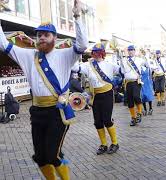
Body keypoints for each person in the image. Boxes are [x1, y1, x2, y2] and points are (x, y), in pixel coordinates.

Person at [0, 0, 88, 179]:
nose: (41, 38)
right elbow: (3, 44)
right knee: (40, 158)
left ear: (54, 38)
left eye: (46, 35)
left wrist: (77, 17)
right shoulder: (28, 55)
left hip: (57, 112)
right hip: (37, 112)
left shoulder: (65, 54)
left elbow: (82, 45)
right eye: (39, 35)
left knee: (52, 156)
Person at [72, 43, 120, 155]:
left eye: (99, 52)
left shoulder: (110, 65)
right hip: (96, 96)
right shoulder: (88, 65)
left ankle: (115, 143)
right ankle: (103, 144)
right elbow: (75, 68)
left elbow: (123, 71)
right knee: (98, 122)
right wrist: (75, 53)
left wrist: (122, 58)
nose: (97, 55)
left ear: (102, 53)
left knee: (107, 120)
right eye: (95, 52)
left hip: (107, 94)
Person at [120, 45, 148, 126]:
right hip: (128, 82)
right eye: (129, 50)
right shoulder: (124, 60)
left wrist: (144, 54)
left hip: (136, 81)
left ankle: (139, 112)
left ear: (135, 51)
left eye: (132, 50)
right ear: (127, 51)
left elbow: (147, 64)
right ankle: (133, 117)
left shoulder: (139, 59)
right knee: (130, 101)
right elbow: (122, 71)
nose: (130, 51)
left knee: (136, 96)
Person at [140, 49, 154, 116]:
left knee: (148, 96)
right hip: (142, 83)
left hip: (148, 83)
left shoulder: (148, 69)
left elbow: (151, 75)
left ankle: (150, 108)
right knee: (143, 96)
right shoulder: (139, 68)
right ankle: (145, 109)